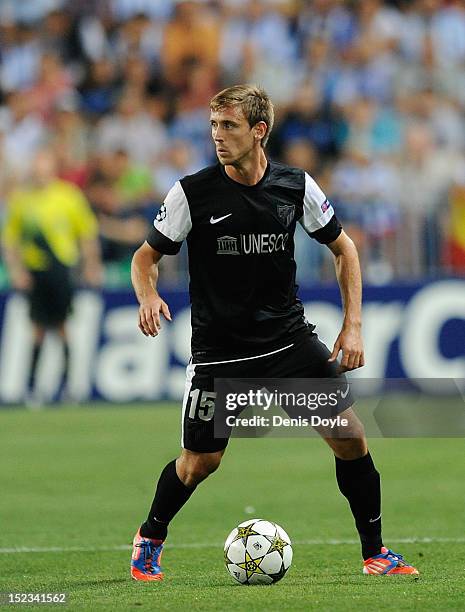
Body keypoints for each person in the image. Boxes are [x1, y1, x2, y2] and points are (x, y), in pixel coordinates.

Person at [130, 85, 419, 580]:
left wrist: (353, 327)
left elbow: (345, 250)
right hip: (221, 355)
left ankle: (376, 553)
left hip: (288, 343)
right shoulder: (192, 193)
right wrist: (148, 295)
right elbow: (145, 258)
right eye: (214, 126)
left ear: (259, 131)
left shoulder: (295, 186)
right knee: (200, 463)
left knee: (350, 436)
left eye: (229, 126)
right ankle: (149, 537)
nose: (218, 137)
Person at [2, 149, 102, 404]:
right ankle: (33, 388)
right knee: (37, 329)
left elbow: (87, 233)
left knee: (62, 328)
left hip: (61, 270)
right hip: (36, 273)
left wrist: (91, 264)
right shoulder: (23, 201)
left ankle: (69, 387)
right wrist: (17, 271)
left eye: (44, 168)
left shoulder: (68, 196)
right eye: (37, 168)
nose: (39, 173)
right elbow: (10, 241)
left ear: (52, 170)